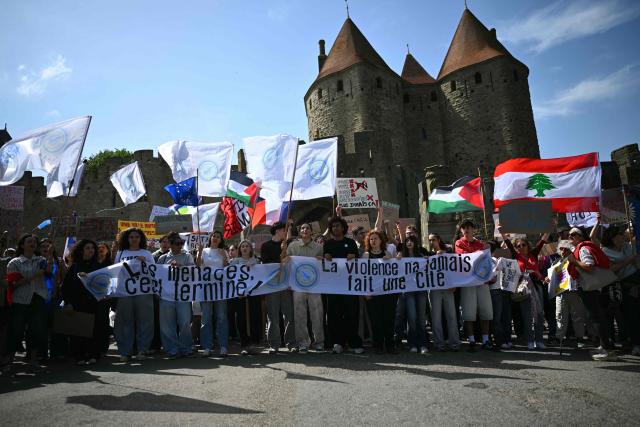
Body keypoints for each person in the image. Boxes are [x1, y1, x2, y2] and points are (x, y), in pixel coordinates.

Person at [4, 234, 54, 372]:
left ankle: (34, 358)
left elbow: (48, 271)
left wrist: (50, 257)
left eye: (34, 242)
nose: (32, 244)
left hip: (37, 298)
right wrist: (34, 276)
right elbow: (14, 283)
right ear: (22, 245)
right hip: (20, 300)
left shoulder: (41, 260)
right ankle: (9, 359)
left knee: (36, 330)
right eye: (29, 241)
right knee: (16, 330)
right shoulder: (15, 262)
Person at [566, 227, 617, 361]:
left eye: (573, 235)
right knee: (596, 317)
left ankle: (608, 350)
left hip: (590, 288)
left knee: (596, 318)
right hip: (590, 288)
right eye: (569, 235)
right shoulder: (581, 248)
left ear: (581, 237)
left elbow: (589, 266)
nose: (570, 237)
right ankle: (604, 345)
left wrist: (573, 261)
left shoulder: (583, 248)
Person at [500, 229, 549, 350]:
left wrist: (549, 228)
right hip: (523, 288)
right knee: (526, 315)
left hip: (537, 287)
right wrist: (502, 233)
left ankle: (540, 340)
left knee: (539, 314)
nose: (521, 247)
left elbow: (542, 241)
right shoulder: (516, 256)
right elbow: (509, 244)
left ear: (528, 245)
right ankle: (530, 340)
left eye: (523, 245)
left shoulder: (534, 254)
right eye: (518, 246)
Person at [113, 228, 155, 363]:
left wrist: (146, 263)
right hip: (125, 293)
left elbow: (154, 272)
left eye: (137, 237)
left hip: (144, 292)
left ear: (141, 239)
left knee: (145, 321)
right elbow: (115, 271)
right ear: (127, 239)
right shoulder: (120, 253)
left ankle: (142, 349)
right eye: (131, 237)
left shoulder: (147, 253)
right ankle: (125, 351)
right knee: (125, 321)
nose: (134, 239)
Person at [324, 216, 363, 354]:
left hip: (349, 285)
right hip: (333, 286)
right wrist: (326, 258)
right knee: (335, 314)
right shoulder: (327, 244)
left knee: (351, 313)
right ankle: (337, 342)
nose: (335, 228)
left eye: (338, 226)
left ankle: (353, 342)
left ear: (343, 228)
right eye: (333, 226)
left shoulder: (350, 242)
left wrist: (353, 256)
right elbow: (322, 263)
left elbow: (359, 261)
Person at [61, 239, 103, 365]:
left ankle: (93, 354)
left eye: (92, 248)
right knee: (78, 330)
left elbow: (105, 283)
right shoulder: (74, 266)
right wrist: (68, 302)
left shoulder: (98, 266)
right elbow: (65, 287)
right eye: (87, 248)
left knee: (95, 329)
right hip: (78, 304)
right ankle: (79, 356)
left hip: (94, 304)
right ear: (81, 251)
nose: (91, 251)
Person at [285, 223, 325, 353]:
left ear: (311, 231)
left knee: (317, 314)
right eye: (302, 228)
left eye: (307, 228)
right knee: (299, 315)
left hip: (315, 286)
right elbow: (287, 265)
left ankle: (319, 342)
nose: (305, 229)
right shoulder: (292, 246)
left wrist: (321, 260)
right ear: (299, 231)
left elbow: (323, 267)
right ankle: (303, 343)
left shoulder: (318, 248)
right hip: (298, 286)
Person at [600, 225, 640, 355]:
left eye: (622, 235)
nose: (622, 237)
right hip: (624, 285)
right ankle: (634, 343)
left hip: (637, 280)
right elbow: (611, 269)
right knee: (630, 316)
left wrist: (636, 260)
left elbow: (636, 262)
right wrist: (628, 262)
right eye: (619, 235)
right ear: (611, 237)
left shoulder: (629, 246)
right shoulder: (605, 251)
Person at [455, 220, 492, 352]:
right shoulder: (459, 243)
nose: (466, 230)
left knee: (486, 311)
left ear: (473, 229)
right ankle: (471, 340)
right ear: (461, 231)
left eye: (469, 227)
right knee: (468, 312)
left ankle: (485, 339)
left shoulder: (481, 244)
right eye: (464, 228)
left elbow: (486, 260)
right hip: (468, 281)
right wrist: (481, 250)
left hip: (481, 281)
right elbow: (463, 256)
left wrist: (485, 248)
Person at [261, 222, 296, 353]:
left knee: (289, 315)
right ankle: (274, 344)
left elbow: (293, 261)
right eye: (284, 230)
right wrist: (279, 258)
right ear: (277, 231)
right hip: (272, 286)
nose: (285, 233)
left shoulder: (288, 246)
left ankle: (291, 342)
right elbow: (266, 263)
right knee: (273, 316)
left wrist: (286, 252)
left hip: (286, 285)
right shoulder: (266, 246)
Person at [158, 232, 194, 359]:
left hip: (183, 296)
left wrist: (182, 267)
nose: (180, 246)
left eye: (181, 243)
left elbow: (194, 272)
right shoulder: (162, 259)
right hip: (166, 296)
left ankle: (186, 348)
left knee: (184, 323)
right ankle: (172, 349)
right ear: (171, 245)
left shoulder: (187, 256)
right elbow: (158, 276)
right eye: (177, 243)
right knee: (168, 325)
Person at [196, 230, 229, 357]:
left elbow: (227, 268)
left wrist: (225, 257)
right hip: (206, 289)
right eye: (213, 236)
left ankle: (223, 346)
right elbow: (198, 266)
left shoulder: (223, 252)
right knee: (206, 318)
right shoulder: (204, 251)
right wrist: (199, 252)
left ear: (221, 240)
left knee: (221, 317)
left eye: (218, 237)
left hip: (220, 289)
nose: (215, 238)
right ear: (210, 238)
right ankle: (206, 346)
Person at [363, 230, 396, 353]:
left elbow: (395, 270)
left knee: (388, 318)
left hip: (388, 292)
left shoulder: (386, 252)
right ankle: (378, 345)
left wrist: (391, 259)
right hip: (372, 293)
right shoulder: (366, 255)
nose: (373, 241)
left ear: (381, 240)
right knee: (375, 320)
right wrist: (366, 291)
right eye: (371, 239)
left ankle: (390, 344)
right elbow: (363, 275)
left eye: (376, 238)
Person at [396, 235, 430, 354]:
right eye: (407, 241)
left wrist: (426, 260)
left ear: (416, 243)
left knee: (421, 318)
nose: (409, 242)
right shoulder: (401, 256)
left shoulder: (421, 256)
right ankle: (412, 344)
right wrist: (398, 259)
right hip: (408, 290)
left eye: (411, 241)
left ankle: (423, 344)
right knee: (412, 318)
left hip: (421, 290)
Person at [427, 233, 460, 352]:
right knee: (436, 317)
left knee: (451, 316)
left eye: (433, 240)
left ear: (439, 240)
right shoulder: (428, 254)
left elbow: (455, 268)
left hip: (448, 288)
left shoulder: (449, 252)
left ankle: (454, 343)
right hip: (435, 289)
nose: (431, 242)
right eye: (429, 240)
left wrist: (455, 283)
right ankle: (439, 343)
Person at [552, 241, 588, 348]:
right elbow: (552, 278)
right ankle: (559, 338)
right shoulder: (556, 262)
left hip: (575, 292)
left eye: (566, 249)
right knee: (560, 316)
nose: (563, 251)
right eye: (561, 249)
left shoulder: (576, 260)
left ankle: (580, 338)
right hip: (561, 293)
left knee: (577, 316)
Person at [230, 240, 261, 355]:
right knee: (241, 318)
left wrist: (255, 266)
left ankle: (253, 343)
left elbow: (261, 274)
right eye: (242, 246)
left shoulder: (257, 261)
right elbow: (231, 276)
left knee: (254, 317)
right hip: (240, 294)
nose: (245, 248)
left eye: (247, 246)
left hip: (254, 293)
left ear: (251, 249)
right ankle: (244, 344)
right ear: (239, 249)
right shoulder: (234, 262)